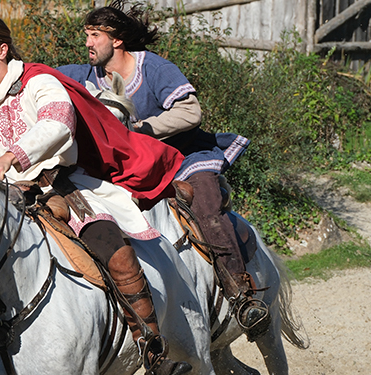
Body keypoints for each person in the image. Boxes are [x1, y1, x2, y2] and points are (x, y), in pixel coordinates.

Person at [0, 13, 192, 375]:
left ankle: (151, 347)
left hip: (61, 187)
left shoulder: (39, 82)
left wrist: (11, 157)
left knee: (111, 245)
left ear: (1, 49)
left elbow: (58, 125)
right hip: (1, 202)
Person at [58, 1, 270, 337]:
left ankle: (241, 295)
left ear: (117, 40)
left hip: (184, 159)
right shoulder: (83, 75)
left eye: (94, 35)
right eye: (86, 35)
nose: (87, 42)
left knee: (207, 209)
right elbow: (34, 74)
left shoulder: (155, 69)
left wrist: (141, 129)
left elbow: (190, 113)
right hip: (134, 168)